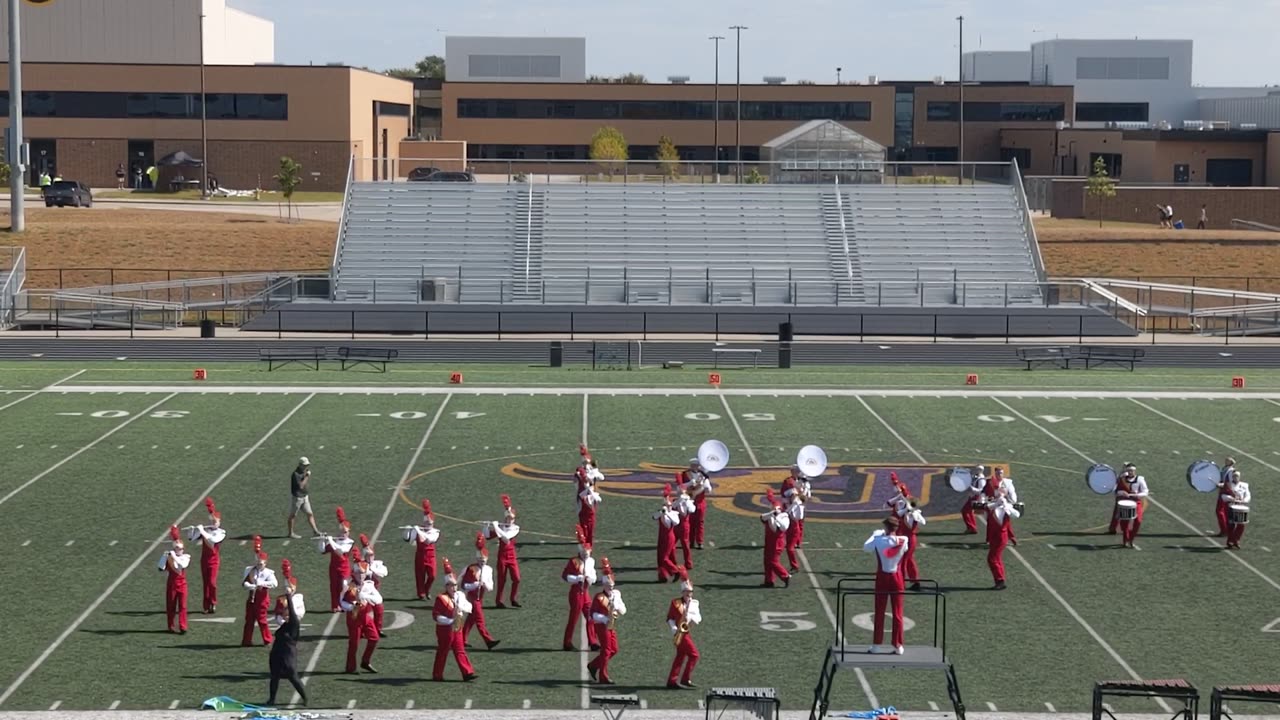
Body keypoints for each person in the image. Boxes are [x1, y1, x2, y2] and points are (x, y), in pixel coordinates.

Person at [862, 517, 907, 654]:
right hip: (897, 577)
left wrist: (874, 535)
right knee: (898, 612)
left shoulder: (878, 540)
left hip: (882, 577)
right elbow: (901, 544)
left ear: (886, 528)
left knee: (880, 611)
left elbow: (866, 548)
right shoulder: (904, 540)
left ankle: (876, 645)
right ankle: (898, 645)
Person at [267, 561, 307, 707]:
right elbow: (278, 615)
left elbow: (292, 610)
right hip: (278, 652)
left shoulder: (294, 623)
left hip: (288, 654)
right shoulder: (284, 624)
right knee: (274, 677)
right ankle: (272, 699)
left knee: (293, 677)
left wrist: (289, 595)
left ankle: (305, 698)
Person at [431, 560, 477, 682]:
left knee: (460, 649)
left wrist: (461, 609)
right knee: (443, 651)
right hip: (445, 629)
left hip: (457, 626)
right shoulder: (441, 599)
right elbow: (435, 616)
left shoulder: (460, 595)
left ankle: (467, 672)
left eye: (455, 585)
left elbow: (469, 606)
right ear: (446, 586)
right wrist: (450, 619)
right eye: (451, 585)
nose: (454, 588)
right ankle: (437, 674)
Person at [340, 554, 380, 674]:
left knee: (374, 638)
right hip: (354, 617)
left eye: (363, 573)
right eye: (359, 573)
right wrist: (352, 606)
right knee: (354, 643)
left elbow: (378, 599)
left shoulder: (368, 585)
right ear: (354, 573)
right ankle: (350, 668)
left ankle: (365, 661)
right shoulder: (349, 587)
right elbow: (341, 602)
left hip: (365, 615)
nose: (361, 576)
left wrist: (365, 596)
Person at [587, 558, 624, 684]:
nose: (610, 588)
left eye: (612, 586)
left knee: (614, 650)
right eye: (608, 586)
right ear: (604, 585)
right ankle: (603, 676)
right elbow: (592, 615)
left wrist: (616, 607)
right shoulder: (599, 597)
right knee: (606, 650)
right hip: (601, 625)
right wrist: (605, 618)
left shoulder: (616, 595)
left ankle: (593, 665)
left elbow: (624, 610)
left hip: (611, 625)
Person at [562, 526, 599, 651]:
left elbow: (594, 575)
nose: (586, 553)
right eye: (584, 551)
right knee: (574, 618)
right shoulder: (574, 562)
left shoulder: (591, 561)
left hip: (586, 592)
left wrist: (590, 579)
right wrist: (577, 578)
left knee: (590, 615)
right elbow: (565, 576)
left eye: (587, 551)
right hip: (576, 592)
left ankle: (593, 641)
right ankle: (567, 642)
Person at [461, 533, 500, 650]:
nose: (482, 562)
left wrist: (485, 584)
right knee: (479, 620)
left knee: (471, 619)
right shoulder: (472, 569)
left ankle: (461, 638)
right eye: (480, 560)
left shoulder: (488, 570)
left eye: (484, 560)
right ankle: (488, 641)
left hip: (480, 598)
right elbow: (464, 585)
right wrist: (476, 584)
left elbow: (491, 587)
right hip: (472, 598)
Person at [189, 497, 226, 614]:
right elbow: (192, 539)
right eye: (212, 521)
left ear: (219, 522)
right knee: (205, 583)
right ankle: (206, 605)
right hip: (204, 559)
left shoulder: (221, 532)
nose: (213, 523)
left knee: (212, 583)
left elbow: (212, 540)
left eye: (216, 521)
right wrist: (192, 531)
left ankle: (213, 602)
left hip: (214, 560)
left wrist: (202, 531)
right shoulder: (207, 529)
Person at [666, 571, 702, 689]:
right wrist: (674, 629)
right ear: (682, 592)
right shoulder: (676, 603)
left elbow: (698, 617)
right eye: (686, 592)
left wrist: (690, 619)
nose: (688, 594)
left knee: (680, 656)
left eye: (690, 592)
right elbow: (669, 618)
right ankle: (685, 679)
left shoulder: (695, 603)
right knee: (694, 655)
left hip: (687, 631)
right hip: (679, 633)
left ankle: (672, 680)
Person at [319, 507, 355, 612]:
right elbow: (322, 550)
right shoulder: (336, 540)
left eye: (345, 532)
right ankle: (335, 606)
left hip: (344, 567)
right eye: (342, 531)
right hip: (334, 567)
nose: (344, 534)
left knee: (344, 586)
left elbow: (340, 551)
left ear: (349, 532)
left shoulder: (350, 542)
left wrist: (330, 541)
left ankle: (344, 604)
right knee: (333, 587)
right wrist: (322, 541)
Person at [489, 495, 521, 608]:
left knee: (516, 578)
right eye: (508, 518)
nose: (509, 520)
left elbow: (506, 539)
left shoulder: (516, 528)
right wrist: (487, 527)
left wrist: (496, 527)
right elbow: (487, 536)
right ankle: (499, 601)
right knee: (501, 580)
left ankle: (513, 598)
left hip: (511, 556)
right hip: (502, 557)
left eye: (511, 519)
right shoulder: (501, 527)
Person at [242, 544, 278, 646]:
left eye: (261, 564)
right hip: (251, 598)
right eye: (258, 563)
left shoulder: (269, 573)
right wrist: (251, 586)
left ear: (265, 564)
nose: (259, 565)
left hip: (262, 599)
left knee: (262, 620)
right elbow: (244, 584)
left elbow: (275, 583)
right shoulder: (250, 570)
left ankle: (267, 640)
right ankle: (246, 641)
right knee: (249, 620)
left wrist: (262, 584)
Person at [405, 499, 440, 600]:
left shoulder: (435, 532)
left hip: (430, 556)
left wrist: (418, 531)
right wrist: (408, 531)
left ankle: (427, 589)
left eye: (429, 523)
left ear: (433, 522)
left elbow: (428, 540)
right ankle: (421, 593)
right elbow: (410, 541)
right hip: (420, 555)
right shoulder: (419, 530)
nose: (427, 524)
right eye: (425, 522)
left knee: (432, 575)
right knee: (419, 576)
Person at [158, 525, 191, 634]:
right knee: (171, 606)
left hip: (182, 584)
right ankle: (171, 626)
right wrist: (164, 556)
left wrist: (173, 556)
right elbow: (160, 568)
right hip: (171, 584)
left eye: (181, 548)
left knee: (183, 606)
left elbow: (182, 565)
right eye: (177, 548)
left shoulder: (186, 556)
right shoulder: (170, 558)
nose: (180, 550)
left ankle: (183, 626)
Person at [986, 490, 1020, 590]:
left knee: (992, 559)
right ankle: (1000, 580)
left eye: (1000, 493)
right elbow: (987, 506)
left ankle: (1000, 581)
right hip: (995, 536)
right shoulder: (995, 504)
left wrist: (1006, 506)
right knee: (996, 558)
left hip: (1000, 537)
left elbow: (1017, 514)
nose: (998, 495)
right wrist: (997, 503)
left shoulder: (1006, 507)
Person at [783, 465, 812, 572]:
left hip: (795, 511)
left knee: (796, 526)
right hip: (793, 509)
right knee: (797, 525)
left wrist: (802, 490)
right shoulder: (791, 482)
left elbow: (803, 497)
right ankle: (796, 542)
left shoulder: (797, 483)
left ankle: (796, 543)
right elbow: (794, 496)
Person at [359, 534, 388, 637]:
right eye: (368, 555)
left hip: (374, 591)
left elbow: (384, 573)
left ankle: (378, 628)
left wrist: (373, 569)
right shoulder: (361, 565)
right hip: (364, 592)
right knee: (364, 612)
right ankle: (362, 630)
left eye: (371, 555)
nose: (370, 557)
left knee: (379, 609)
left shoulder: (377, 564)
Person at [761, 489, 791, 588]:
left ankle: (785, 575)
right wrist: (772, 513)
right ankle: (769, 581)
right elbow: (762, 517)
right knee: (767, 561)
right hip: (769, 542)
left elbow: (783, 527)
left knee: (773, 561)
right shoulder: (770, 516)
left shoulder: (784, 516)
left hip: (777, 543)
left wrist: (777, 516)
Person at [681, 459, 713, 549]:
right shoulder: (685, 474)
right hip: (688, 501)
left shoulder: (703, 476)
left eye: (696, 465)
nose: (695, 466)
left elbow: (709, 489)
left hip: (700, 502)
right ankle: (690, 541)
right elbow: (682, 486)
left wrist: (705, 485)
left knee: (700, 522)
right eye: (693, 465)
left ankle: (699, 542)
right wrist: (690, 483)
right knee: (689, 522)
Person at [1115, 463, 1148, 549]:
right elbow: (1116, 491)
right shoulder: (1122, 479)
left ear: (1135, 471)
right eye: (1129, 470)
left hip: (1136, 502)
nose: (1130, 472)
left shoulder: (1140, 479)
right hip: (1125, 502)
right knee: (1124, 524)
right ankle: (1125, 541)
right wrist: (1122, 493)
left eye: (1132, 470)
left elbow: (1145, 491)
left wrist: (1137, 495)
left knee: (1138, 521)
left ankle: (1131, 539)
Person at [897, 499, 927, 591]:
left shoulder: (914, 514)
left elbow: (923, 522)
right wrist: (908, 511)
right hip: (909, 538)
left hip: (908, 539)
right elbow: (899, 513)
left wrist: (914, 514)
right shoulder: (906, 513)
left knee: (903, 561)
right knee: (910, 560)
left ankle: (901, 583)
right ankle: (915, 581)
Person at [575, 445, 603, 545]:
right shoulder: (580, 471)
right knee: (582, 517)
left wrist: (595, 471)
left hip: (591, 497)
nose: (587, 465)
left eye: (588, 463)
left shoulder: (592, 470)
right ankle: (583, 536)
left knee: (591, 518)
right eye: (585, 463)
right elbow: (584, 480)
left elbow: (601, 477)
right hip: (583, 496)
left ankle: (588, 539)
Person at [653, 485, 681, 582]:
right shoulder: (662, 511)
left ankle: (676, 571)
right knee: (660, 557)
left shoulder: (674, 514)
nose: (666, 506)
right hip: (661, 536)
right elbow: (654, 517)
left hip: (669, 537)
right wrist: (661, 512)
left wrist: (667, 513)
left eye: (669, 505)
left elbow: (675, 522)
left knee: (665, 558)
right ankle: (662, 576)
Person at [288, 457, 320, 540]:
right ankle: (290, 533)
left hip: (305, 497)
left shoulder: (303, 471)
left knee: (310, 513)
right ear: (300, 465)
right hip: (297, 498)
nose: (306, 467)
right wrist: (307, 476)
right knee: (293, 516)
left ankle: (315, 531)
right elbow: (301, 486)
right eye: (304, 465)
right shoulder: (295, 474)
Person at [1223, 470, 1251, 550]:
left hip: (1241, 507)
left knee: (1241, 525)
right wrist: (1232, 498)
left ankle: (1236, 540)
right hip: (1231, 506)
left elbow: (1248, 496)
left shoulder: (1245, 485)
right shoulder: (1228, 485)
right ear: (1232, 477)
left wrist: (1243, 500)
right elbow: (1223, 496)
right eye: (1234, 476)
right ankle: (1230, 541)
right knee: (1231, 525)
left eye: (1237, 476)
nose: (1236, 477)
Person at [992, 467, 1018, 545]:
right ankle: (1009, 537)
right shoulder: (992, 482)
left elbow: (1013, 499)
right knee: (996, 523)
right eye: (997, 473)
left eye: (1001, 473)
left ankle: (1005, 539)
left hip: (1005, 506)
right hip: (995, 505)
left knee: (1002, 524)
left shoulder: (1007, 483)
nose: (999, 475)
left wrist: (1006, 495)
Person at [674, 484, 696, 570]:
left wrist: (686, 501)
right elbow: (673, 506)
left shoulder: (688, 501)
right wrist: (680, 500)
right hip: (675, 525)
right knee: (672, 544)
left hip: (684, 525)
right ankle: (672, 561)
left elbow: (692, 510)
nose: (679, 493)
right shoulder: (676, 500)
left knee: (685, 545)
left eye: (681, 492)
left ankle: (688, 563)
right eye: (679, 492)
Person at [961, 465, 987, 534]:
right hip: (973, 496)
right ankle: (972, 527)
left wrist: (972, 489)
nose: (977, 470)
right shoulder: (976, 476)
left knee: (965, 511)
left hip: (976, 497)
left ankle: (971, 527)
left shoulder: (981, 479)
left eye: (979, 469)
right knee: (969, 512)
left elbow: (981, 490)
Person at [1216, 458, 1237, 537]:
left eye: (1227, 460)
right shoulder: (1225, 468)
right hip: (1223, 490)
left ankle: (1225, 530)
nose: (1225, 461)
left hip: (1227, 492)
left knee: (1221, 511)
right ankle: (1225, 530)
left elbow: (1231, 483)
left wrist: (1222, 485)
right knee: (1222, 511)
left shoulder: (1231, 471)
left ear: (1231, 462)